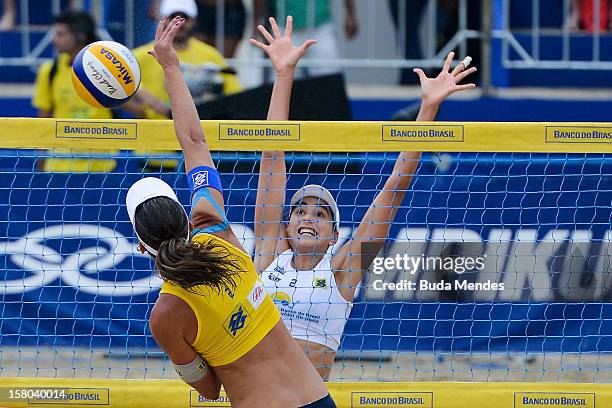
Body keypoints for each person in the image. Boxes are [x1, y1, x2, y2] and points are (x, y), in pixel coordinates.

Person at [126, 15, 336, 408]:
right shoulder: (214, 228)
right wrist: (171, 66)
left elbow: (209, 389)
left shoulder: (166, 315)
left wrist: (216, 341)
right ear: (187, 219)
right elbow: (194, 140)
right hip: (318, 400)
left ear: (141, 247)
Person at [252, 17, 477, 379]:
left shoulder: (343, 270)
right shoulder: (268, 255)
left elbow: (394, 190)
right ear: (287, 225)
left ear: (334, 235)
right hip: (252, 396)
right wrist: (283, 74)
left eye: (321, 214)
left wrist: (428, 110)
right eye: (300, 210)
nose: (308, 217)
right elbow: (271, 157)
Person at [32, 9, 116, 172]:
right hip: (59, 167)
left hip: (100, 167)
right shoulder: (49, 71)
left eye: (60, 34)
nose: (54, 40)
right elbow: (43, 119)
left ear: (80, 36)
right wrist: (41, 158)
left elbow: (136, 104)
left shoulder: (107, 71)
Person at [253, 0, 358, 78]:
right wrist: (256, 22)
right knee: (283, 76)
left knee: (328, 75)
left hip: (320, 26)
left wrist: (351, 15)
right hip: (285, 28)